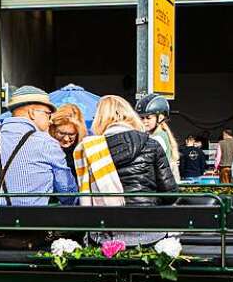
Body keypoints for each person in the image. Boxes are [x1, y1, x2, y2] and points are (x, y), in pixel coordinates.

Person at [73, 95, 177, 245]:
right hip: (150, 232)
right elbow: (170, 195)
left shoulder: (90, 149)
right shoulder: (151, 144)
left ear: (100, 119)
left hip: (106, 236)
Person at [0, 86, 76, 216]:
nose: (50, 120)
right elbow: (67, 193)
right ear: (32, 113)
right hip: (29, 227)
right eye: (48, 114)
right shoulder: (46, 143)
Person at [136, 94, 180, 181]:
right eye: (142, 118)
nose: (144, 121)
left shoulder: (157, 139)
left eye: (148, 118)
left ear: (160, 117)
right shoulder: (162, 135)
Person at [49, 103, 88, 170]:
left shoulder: (85, 150)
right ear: (53, 129)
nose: (66, 139)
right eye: (61, 133)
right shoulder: (44, 147)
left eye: (71, 134)